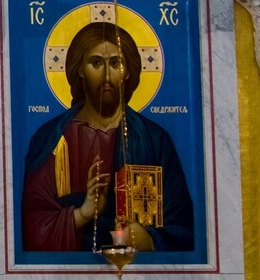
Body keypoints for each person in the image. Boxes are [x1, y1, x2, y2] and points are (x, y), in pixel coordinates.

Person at [19, 21, 194, 252]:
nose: (107, 75)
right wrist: (82, 214)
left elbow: (182, 227)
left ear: (129, 69)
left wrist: (148, 239)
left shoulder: (154, 140)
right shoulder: (52, 139)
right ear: (79, 69)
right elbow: (32, 226)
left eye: (116, 63)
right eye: (96, 63)